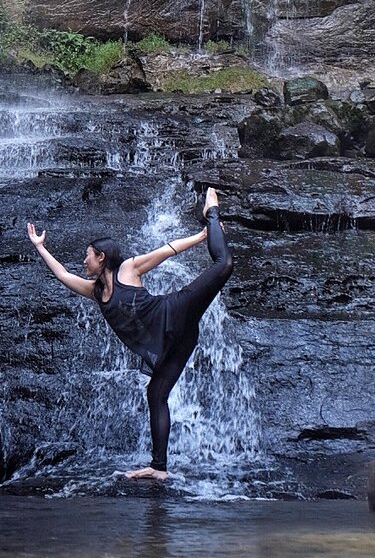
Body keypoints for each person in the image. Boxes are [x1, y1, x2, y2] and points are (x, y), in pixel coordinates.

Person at [26, 186, 233, 480]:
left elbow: (167, 250)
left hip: (175, 312)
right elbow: (63, 275)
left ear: (100, 257)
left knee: (224, 264)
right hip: (173, 343)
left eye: (87, 256)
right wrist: (40, 247)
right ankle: (158, 468)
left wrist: (201, 237)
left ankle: (211, 213)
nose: (83, 262)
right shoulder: (96, 292)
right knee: (156, 394)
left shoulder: (128, 269)